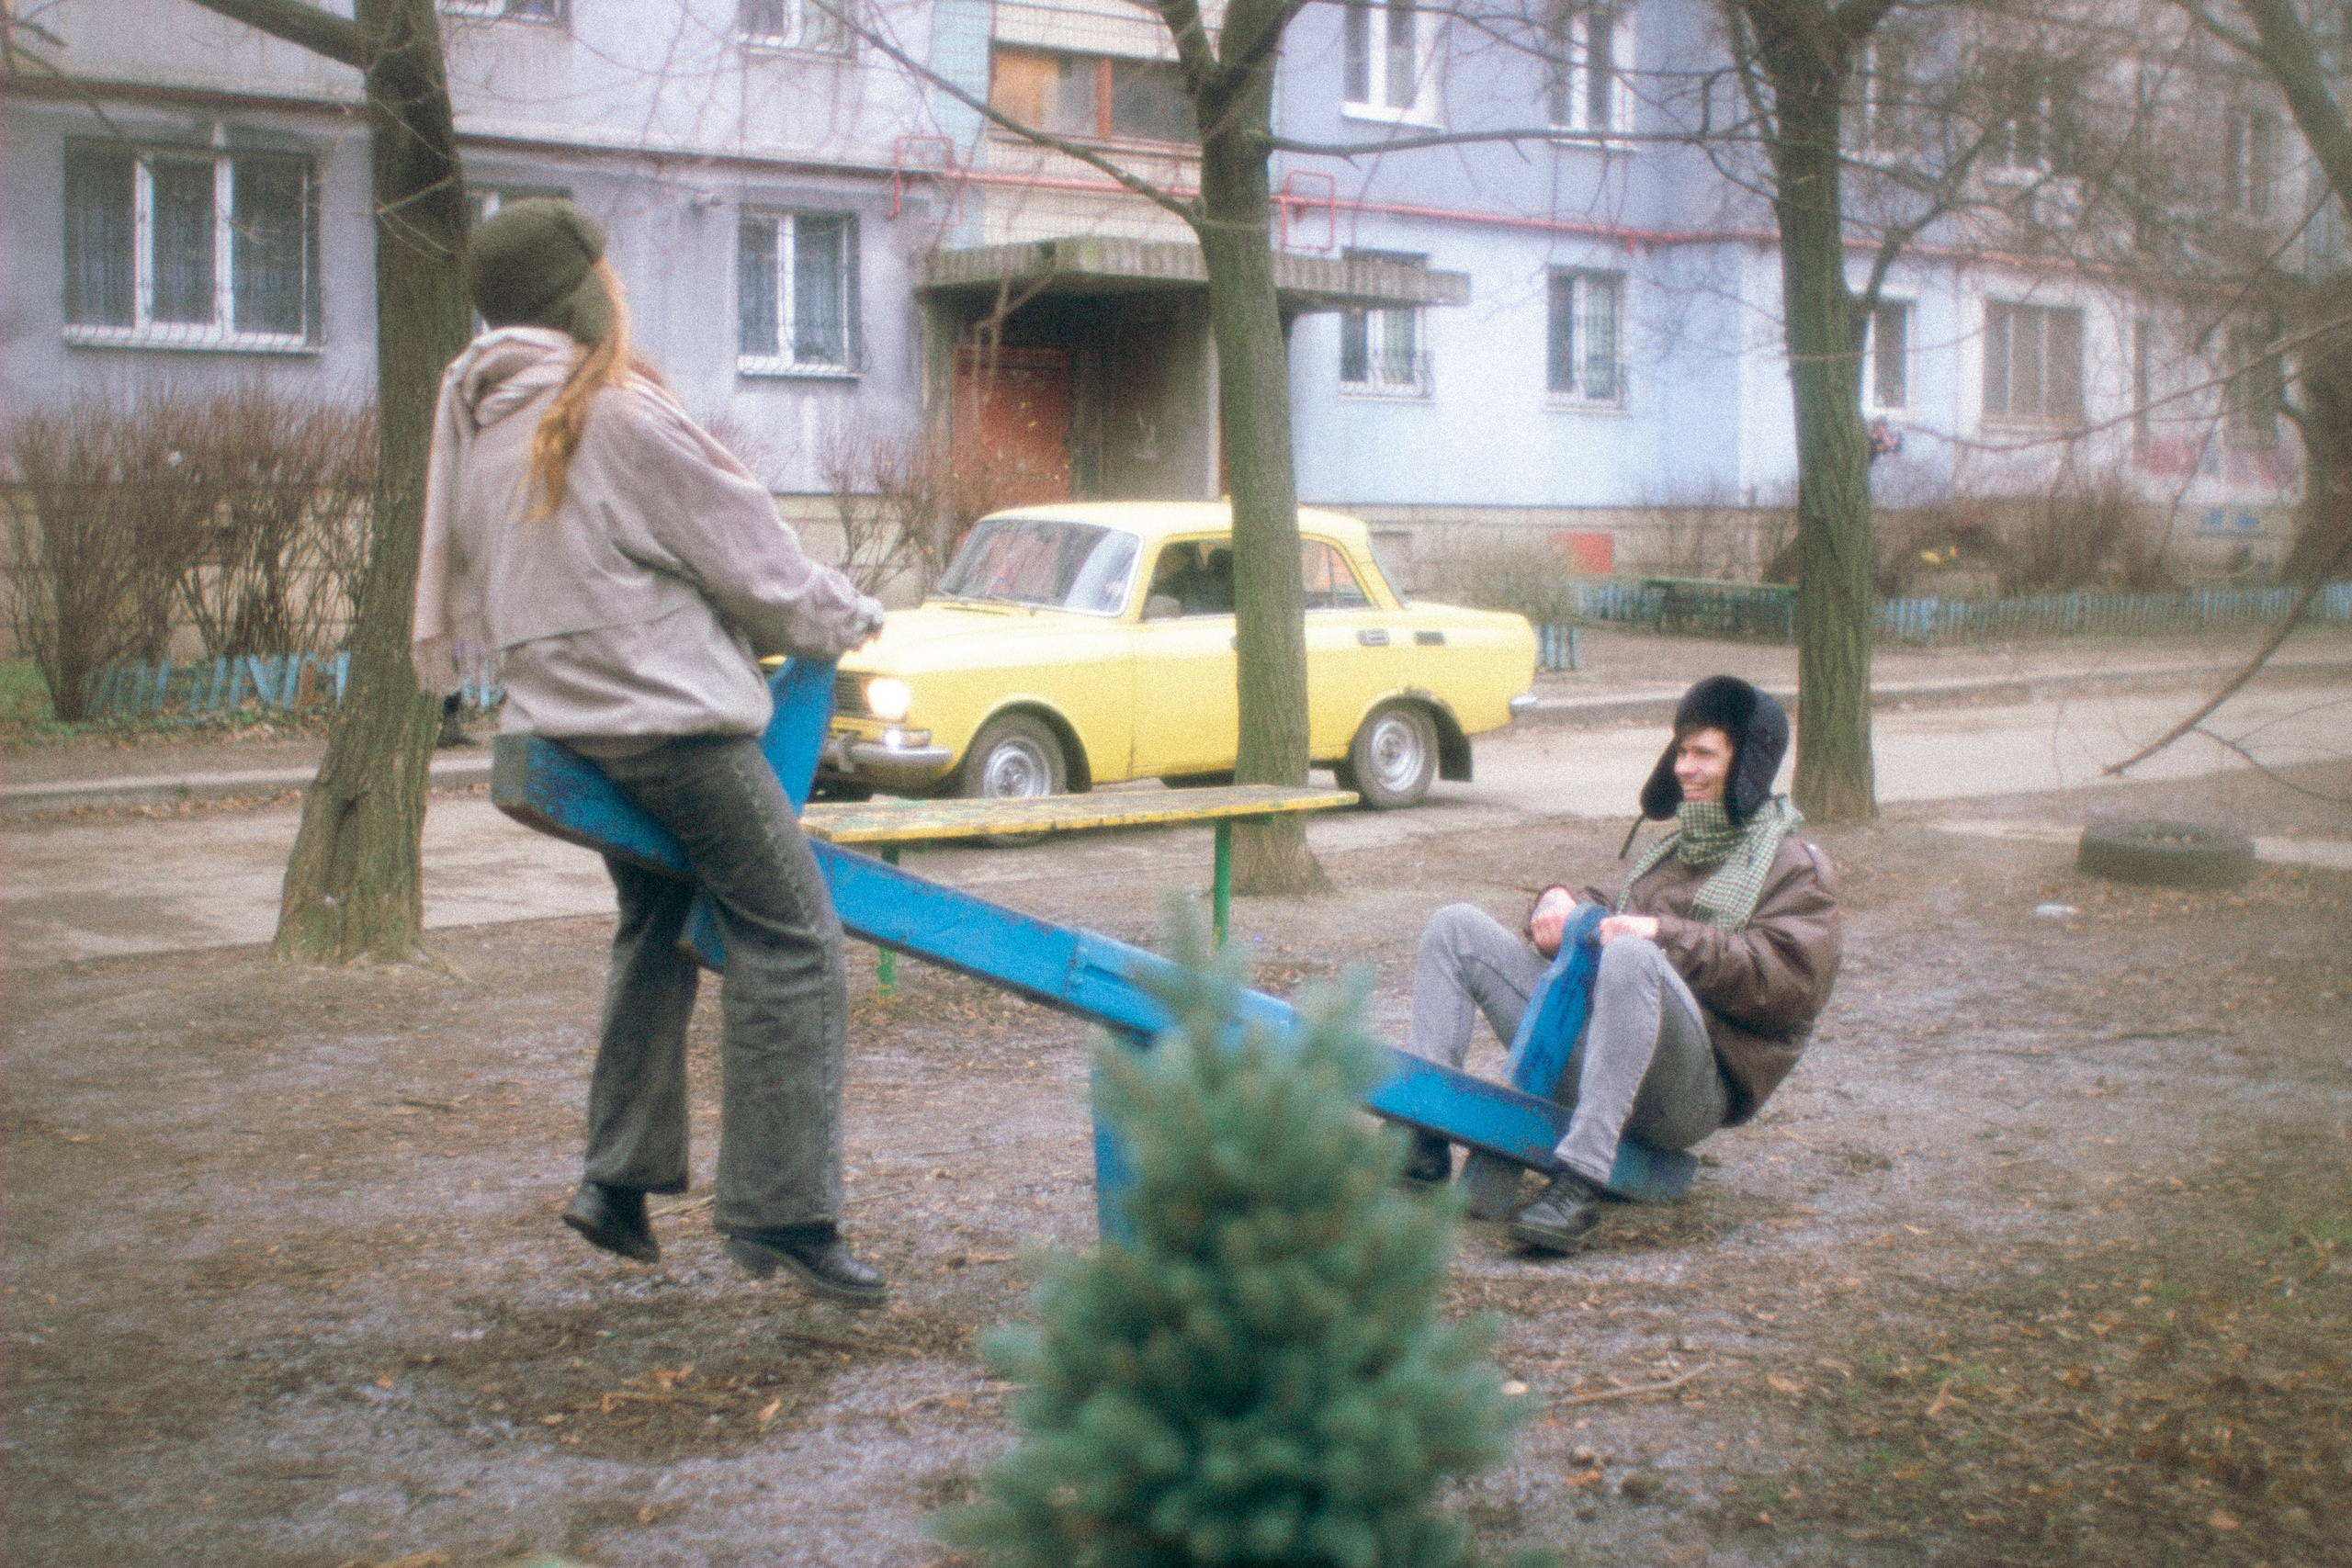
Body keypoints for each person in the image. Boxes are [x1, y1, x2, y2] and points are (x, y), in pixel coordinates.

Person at [412, 199, 890, 1304]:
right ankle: (785, 1216)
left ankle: (616, 1182)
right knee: (796, 936)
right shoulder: (610, 415)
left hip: (577, 729)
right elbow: (760, 567)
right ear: (586, 287)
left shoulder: (483, 425)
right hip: (672, 728)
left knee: (657, 922)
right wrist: (847, 617)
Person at [1401, 675, 1840, 1255]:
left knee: (1634, 952)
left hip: (1689, 1093)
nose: (1684, 768)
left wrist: (1663, 935)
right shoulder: (1675, 850)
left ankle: (1579, 1182)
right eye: (1680, 752)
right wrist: (1557, 905)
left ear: (1747, 767)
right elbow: (1608, 911)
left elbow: (1787, 986)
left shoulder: (1794, 868)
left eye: (1704, 753)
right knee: (1455, 927)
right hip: (1604, 1062)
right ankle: (1422, 1132)